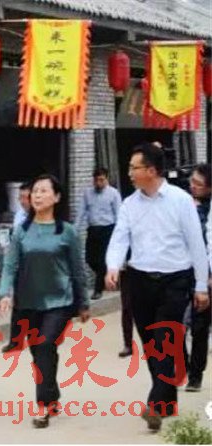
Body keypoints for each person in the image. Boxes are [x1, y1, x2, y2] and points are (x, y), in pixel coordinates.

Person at [105, 143, 209, 432]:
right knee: (151, 345)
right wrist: (113, 266)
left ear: (151, 170)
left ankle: (154, 403)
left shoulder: (180, 200)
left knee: (164, 340)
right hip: (139, 280)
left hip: (175, 280)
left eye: (134, 168)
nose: (129, 173)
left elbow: (196, 244)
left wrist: (201, 285)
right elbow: (120, 238)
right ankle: (167, 399)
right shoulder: (129, 204)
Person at [0, 174, 90, 429]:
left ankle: (42, 405)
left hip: (60, 301)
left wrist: (83, 303)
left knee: (45, 344)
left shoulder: (67, 231)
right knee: (40, 352)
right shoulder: (21, 231)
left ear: (56, 197)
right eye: (35, 191)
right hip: (28, 302)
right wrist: (5, 293)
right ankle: (52, 395)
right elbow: (10, 266)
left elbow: (78, 270)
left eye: (43, 191)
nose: (37, 195)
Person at [183, 164, 211, 392]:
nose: (192, 186)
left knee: (199, 327)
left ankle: (195, 375)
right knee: (175, 323)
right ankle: (182, 365)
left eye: (198, 184)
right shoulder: (182, 203)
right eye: (191, 181)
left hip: (205, 276)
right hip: (181, 272)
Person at [75, 168, 121, 301]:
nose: (99, 183)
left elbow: (118, 214)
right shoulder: (88, 193)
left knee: (101, 260)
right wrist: (75, 229)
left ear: (107, 179)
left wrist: (118, 233)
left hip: (108, 229)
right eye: (96, 180)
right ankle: (108, 275)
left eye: (102, 180)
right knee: (90, 259)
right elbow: (81, 212)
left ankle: (98, 289)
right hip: (93, 229)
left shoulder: (113, 194)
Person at [2, 181, 32, 354]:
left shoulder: (42, 216)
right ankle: (16, 341)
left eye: (24, 197)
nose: (21, 201)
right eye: (20, 197)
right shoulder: (19, 215)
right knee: (19, 304)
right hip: (21, 264)